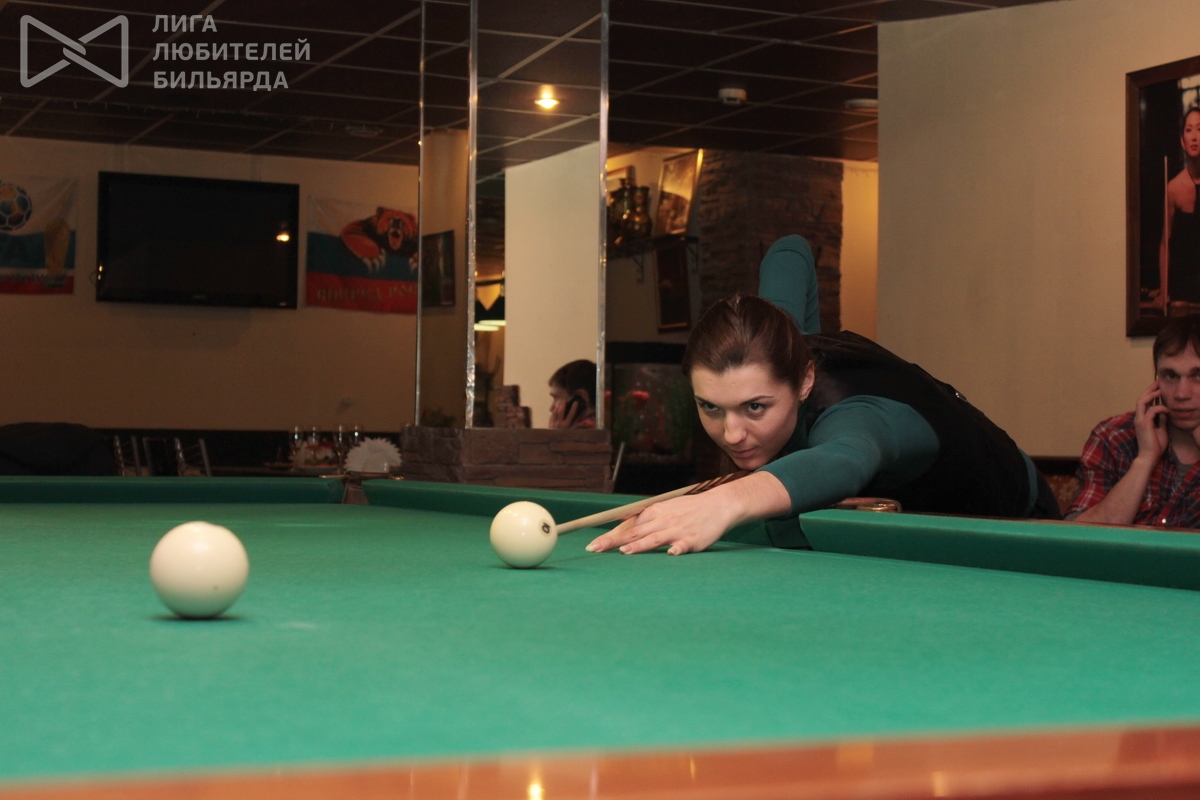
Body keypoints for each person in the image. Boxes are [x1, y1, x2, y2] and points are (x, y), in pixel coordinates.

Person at [587, 235, 1059, 556]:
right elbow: (790, 249)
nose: (731, 434)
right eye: (710, 407)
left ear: (805, 380)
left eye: (755, 407)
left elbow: (845, 460)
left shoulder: (856, 416)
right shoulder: (779, 337)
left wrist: (722, 503)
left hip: (1013, 517)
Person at [1066, 315, 1200, 527]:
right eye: (1170, 376)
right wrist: (1145, 459)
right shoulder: (1113, 436)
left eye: (1198, 376)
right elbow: (1077, 538)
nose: (1182, 393)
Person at [1157, 106, 1200, 310]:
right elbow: (1165, 243)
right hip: (1181, 295)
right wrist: (1164, 289)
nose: (1195, 136)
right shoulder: (1173, 188)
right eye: (1189, 130)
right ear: (1183, 141)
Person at [549, 359, 596, 429]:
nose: (551, 408)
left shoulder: (584, 430)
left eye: (556, 398)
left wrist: (558, 433)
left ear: (580, 397)